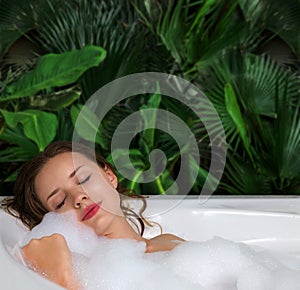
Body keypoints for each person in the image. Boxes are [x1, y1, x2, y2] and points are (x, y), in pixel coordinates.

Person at [1, 141, 184, 289]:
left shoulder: (173, 245)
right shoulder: (79, 273)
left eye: (84, 179)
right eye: (60, 201)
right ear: (52, 220)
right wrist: (61, 279)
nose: (78, 197)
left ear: (110, 177)